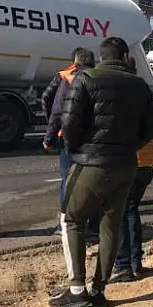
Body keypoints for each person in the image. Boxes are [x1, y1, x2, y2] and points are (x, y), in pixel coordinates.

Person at [48, 37, 153, 307]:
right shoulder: (140, 85)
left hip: (91, 163)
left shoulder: (85, 79)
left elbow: (69, 123)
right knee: (111, 224)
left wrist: (78, 151)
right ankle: (98, 291)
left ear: (102, 56)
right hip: (126, 164)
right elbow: (152, 127)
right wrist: (129, 147)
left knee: (71, 218)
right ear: (124, 56)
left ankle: (76, 289)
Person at [41, 48, 99, 237]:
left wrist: (49, 137)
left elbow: (56, 110)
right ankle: (92, 224)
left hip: (68, 137)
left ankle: (67, 225)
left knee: (68, 181)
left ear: (75, 61)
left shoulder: (67, 78)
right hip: (93, 139)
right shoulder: (100, 78)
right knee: (91, 181)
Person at [109, 95, 153, 283]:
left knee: (122, 212)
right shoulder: (150, 98)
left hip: (128, 162)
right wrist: (150, 149)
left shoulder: (121, 97)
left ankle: (124, 264)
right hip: (147, 163)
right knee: (131, 209)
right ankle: (135, 263)